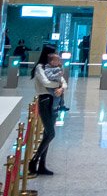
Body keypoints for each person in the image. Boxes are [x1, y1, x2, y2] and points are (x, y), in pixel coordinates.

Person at [28, 45, 65, 176]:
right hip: (45, 100)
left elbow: (63, 81)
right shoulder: (40, 67)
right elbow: (46, 83)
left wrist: (61, 87)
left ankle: (42, 165)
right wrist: (59, 85)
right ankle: (34, 160)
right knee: (51, 133)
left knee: (47, 134)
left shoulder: (53, 68)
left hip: (54, 100)